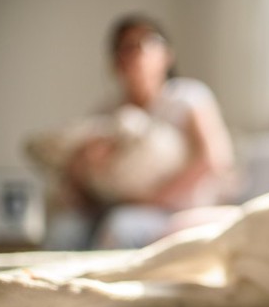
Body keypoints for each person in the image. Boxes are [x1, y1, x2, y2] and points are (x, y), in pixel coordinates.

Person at [42, 14, 238, 249]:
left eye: (146, 43)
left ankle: (101, 286)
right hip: (114, 207)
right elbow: (80, 176)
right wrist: (84, 169)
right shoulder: (108, 113)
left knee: (121, 227)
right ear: (115, 62)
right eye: (126, 47)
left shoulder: (189, 97)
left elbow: (214, 159)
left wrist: (153, 200)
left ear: (167, 54)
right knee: (65, 229)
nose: (137, 54)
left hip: (175, 209)